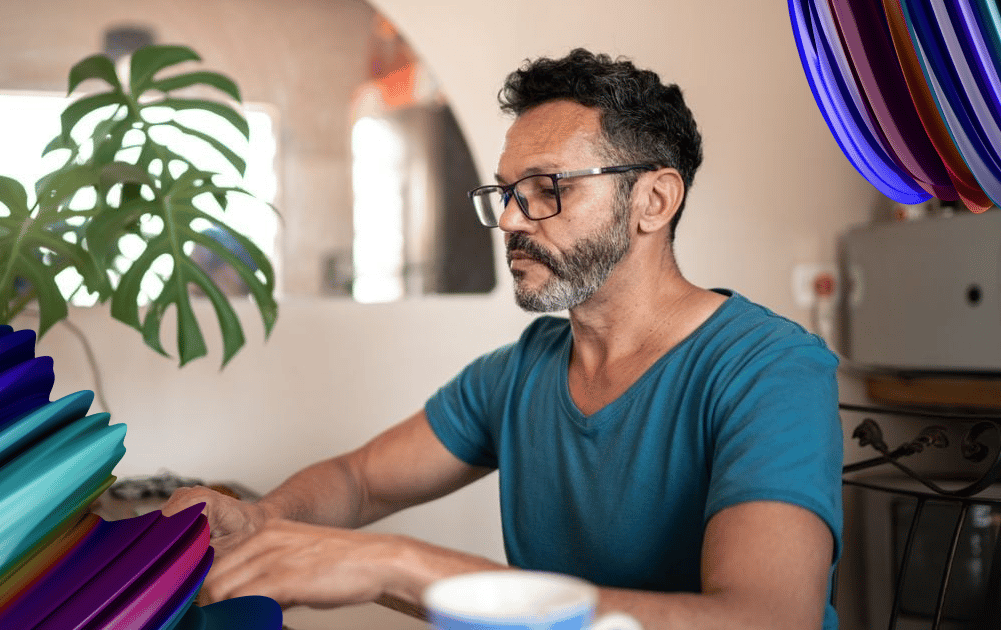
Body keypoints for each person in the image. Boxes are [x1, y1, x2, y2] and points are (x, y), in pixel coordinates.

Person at [163, 48, 843, 630]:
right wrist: (262, 519)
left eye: (546, 189)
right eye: (506, 192)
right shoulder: (519, 373)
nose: (512, 219)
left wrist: (400, 564)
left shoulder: (770, 371)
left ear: (653, 202)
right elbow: (359, 480)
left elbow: (765, 620)